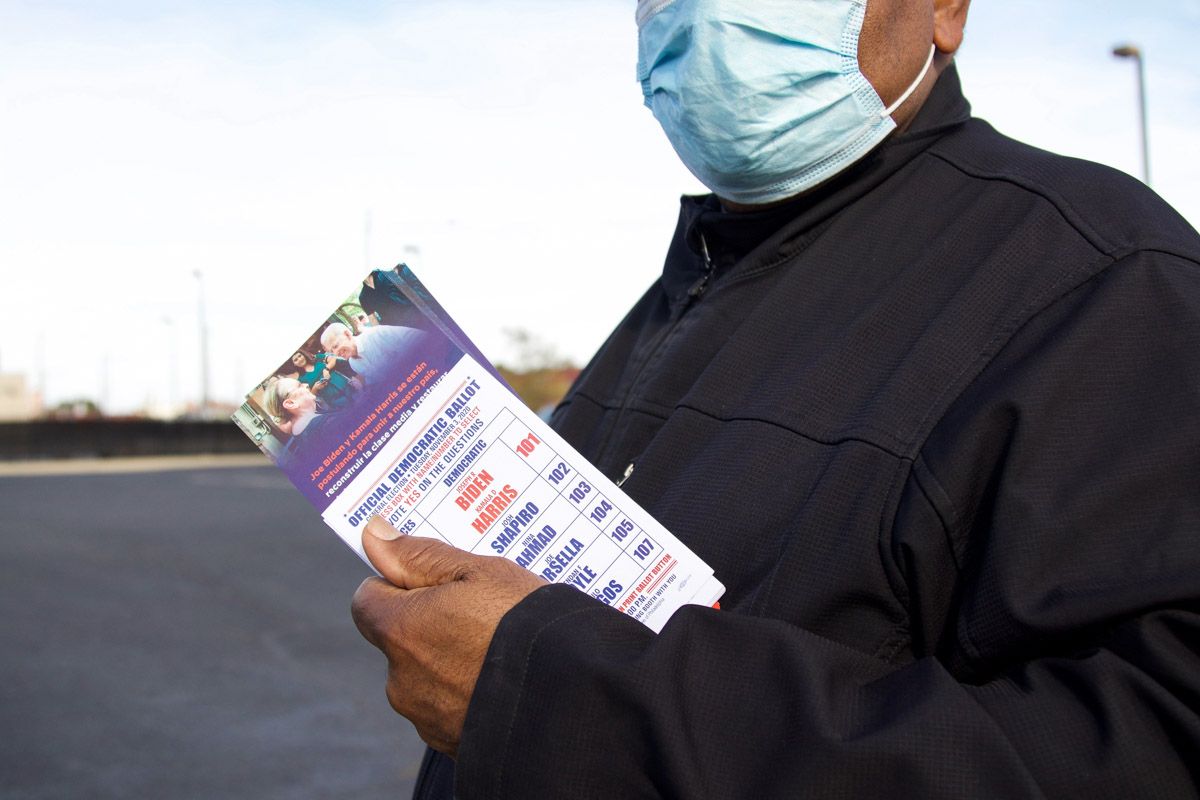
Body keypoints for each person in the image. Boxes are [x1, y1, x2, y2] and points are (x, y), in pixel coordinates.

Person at [351, 1, 1200, 797]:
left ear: (946, 8)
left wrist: (564, 699)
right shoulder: (681, 296)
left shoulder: (1107, 280)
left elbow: (1150, 747)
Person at [319, 320, 432, 388]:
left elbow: (422, 338)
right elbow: (375, 381)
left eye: (335, 346)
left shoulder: (377, 334)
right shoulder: (354, 364)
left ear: (348, 334)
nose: (336, 353)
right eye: (331, 351)